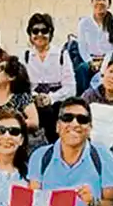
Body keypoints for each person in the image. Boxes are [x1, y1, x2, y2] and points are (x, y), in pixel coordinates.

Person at [22, 13, 76, 143]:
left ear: (50, 33)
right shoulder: (25, 56)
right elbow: (22, 85)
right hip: (32, 101)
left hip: (56, 101)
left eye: (44, 30)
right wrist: (35, 96)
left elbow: (71, 87)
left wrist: (51, 98)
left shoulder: (62, 54)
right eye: (35, 31)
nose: (39, 34)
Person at [74, 0, 113, 93]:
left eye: (103, 0)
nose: (100, 2)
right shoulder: (84, 23)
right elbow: (82, 47)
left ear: (109, 4)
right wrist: (90, 62)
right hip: (89, 61)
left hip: (109, 61)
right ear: (92, 3)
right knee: (82, 69)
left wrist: (104, 63)